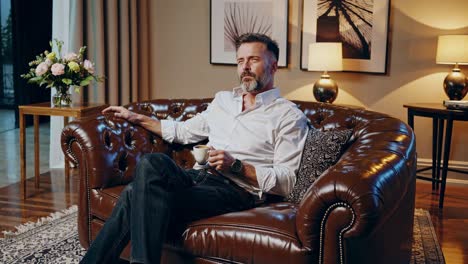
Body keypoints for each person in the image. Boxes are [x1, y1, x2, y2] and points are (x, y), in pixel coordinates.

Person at [80, 33, 308, 264]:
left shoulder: (287, 116)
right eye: (240, 61)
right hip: (198, 176)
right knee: (151, 163)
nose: (245, 67)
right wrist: (135, 117)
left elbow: (287, 181)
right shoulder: (223, 101)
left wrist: (236, 165)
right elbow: (182, 132)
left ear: (274, 66)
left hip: (237, 191)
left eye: (253, 60)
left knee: (133, 193)